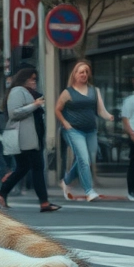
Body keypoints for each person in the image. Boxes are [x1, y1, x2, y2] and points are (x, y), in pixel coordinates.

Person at [0, 67, 60, 212]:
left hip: (30, 138)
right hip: (24, 139)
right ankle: (44, 202)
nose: (34, 82)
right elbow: (14, 113)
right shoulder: (18, 91)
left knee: (23, 168)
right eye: (32, 79)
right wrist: (35, 105)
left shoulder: (28, 93)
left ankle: (2, 192)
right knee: (37, 167)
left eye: (35, 79)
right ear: (24, 79)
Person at [55, 60, 116, 201]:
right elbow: (58, 109)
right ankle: (89, 191)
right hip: (73, 130)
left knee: (86, 160)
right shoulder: (67, 92)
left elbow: (101, 110)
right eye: (81, 72)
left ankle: (65, 181)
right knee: (83, 158)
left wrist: (109, 116)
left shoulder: (95, 91)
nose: (84, 74)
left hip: (91, 131)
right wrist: (65, 123)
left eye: (86, 72)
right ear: (75, 74)